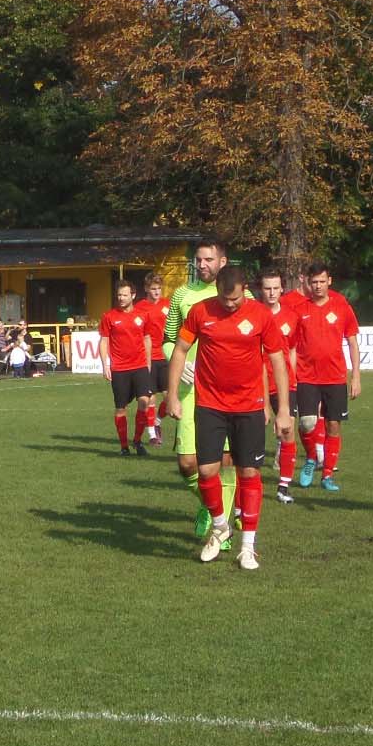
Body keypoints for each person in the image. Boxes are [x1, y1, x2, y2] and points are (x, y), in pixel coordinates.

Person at [162, 265, 293, 570]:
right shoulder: (200, 312)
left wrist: (283, 410)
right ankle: (221, 527)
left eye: (234, 299)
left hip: (249, 406)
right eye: (224, 298)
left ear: (245, 289)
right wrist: (172, 395)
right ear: (217, 290)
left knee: (248, 472)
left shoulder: (261, 315)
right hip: (210, 404)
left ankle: (248, 547)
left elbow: (277, 359)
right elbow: (180, 350)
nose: (229, 304)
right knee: (207, 470)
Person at [163, 239, 227, 538]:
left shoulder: (239, 293)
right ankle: (210, 506)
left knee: (225, 462)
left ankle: (221, 528)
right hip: (191, 391)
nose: (202, 265)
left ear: (222, 261)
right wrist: (180, 362)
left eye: (208, 260)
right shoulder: (182, 294)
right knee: (188, 463)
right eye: (198, 260)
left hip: (227, 390)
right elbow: (168, 340)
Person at [289, 262, 361, 492]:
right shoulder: (299, 310)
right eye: (314, 282)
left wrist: (356, 376)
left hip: (335, 377)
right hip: (306, 376)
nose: (318, 286)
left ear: (329, 281)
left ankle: (327, 474)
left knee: (333, 425)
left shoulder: (342, 307)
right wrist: (291, 376)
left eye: (322, 281)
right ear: (308, 283)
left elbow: (352, 342)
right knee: (306, 423)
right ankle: (311, 457)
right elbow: (292, 347)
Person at [256, 268, 304, 504]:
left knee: (287, 431)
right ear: (261, 290)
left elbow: (292, 348)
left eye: (276, 288)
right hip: (256, 384)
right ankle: (249, 484)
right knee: (254, 434)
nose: (272, 292)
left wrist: (291, 377)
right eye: (267, 288)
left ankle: (284, 486)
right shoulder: (254, 315)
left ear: (282, 288)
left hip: (285, 385)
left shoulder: (291, 316)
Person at [97, 281, 158, 455]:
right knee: (121, 408)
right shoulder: (109, 316)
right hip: (120, 369)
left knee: (144, 402)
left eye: (124, 295)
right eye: (119, 295)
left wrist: (148, 363)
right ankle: (124, 447)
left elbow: (147, 339)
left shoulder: (143, 315)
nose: (121, 298)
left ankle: (137, 441)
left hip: (140, 366)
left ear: (133, 295)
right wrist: (105, 365)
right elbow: (104, 341)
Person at [140, 276, 170, 445]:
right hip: (148, 358)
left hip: (165, 356)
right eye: (153, 288)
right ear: (146, 289)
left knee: (169, 397)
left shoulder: (168, 305)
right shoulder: (140, 308)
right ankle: (152, 434)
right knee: (150, 398)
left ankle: (157, 421)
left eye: (159, 288)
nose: (157, 292)